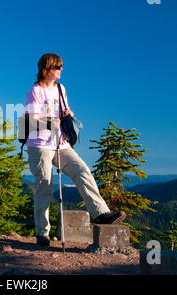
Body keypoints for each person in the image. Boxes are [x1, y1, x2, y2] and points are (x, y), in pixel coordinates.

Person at [25, 53, 126, 247]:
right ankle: (42, 233)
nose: (61, 70)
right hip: (39, 145)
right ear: (47, 70)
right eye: (58, 67)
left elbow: (64, 111)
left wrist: (68, 115)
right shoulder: (35, 91)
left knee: (82, 171)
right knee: (44, 186)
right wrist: (50, 123)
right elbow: (31, 119)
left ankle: (101, 213)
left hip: (61, 143)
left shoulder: (61, 89)